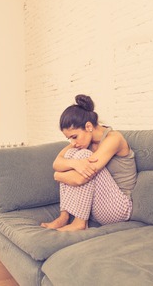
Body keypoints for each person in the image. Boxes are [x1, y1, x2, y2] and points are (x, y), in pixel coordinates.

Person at [41, 94, 137, 231]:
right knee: (71, 155)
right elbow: (57, 162)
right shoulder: (84, 142)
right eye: (69, 139)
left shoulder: (114, 139)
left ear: (88, 126)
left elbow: (81, 179)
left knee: (84, 156)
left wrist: (58, 175)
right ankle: (64, 217)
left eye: (74, 137)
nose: (73, 142)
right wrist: (74, 164)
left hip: (119, 209)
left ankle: (79, 223)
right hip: (95, 208)